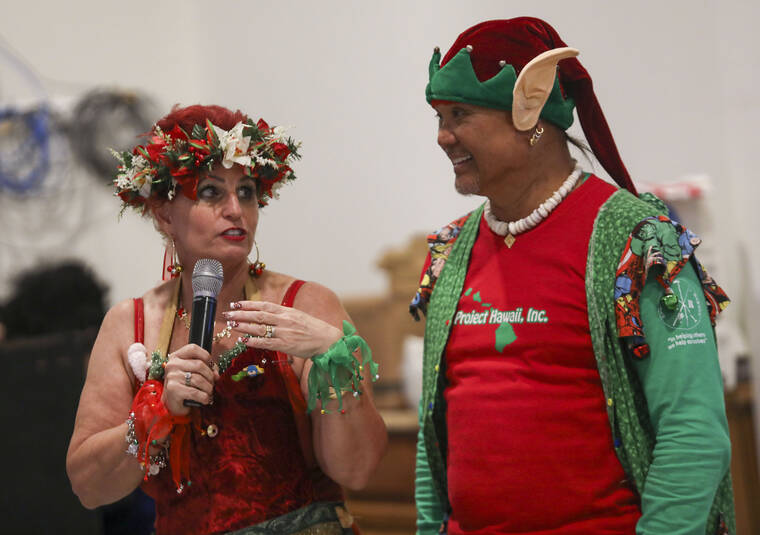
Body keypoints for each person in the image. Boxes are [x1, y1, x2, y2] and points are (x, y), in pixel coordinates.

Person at [409, 17, 734, 535]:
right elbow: (433, 428)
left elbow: (693, 433)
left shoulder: (639, 242)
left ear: (533, 116)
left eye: (461, 115)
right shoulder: (452, 249)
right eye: (439, 117)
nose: (442, 136)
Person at [66, 104, 388, 534]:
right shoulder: (131, 323)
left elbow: (357, 471)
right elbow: (89, 486)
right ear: (164, 213)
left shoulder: (305, 305)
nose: (236, 209)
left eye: (247, 191)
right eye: (211, 192)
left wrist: (336, 360)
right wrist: (155, 413)